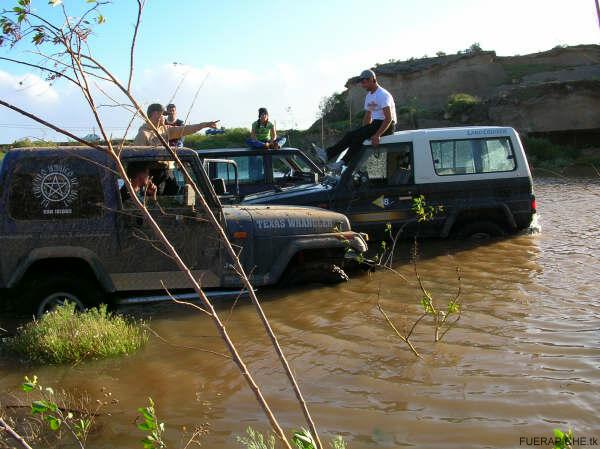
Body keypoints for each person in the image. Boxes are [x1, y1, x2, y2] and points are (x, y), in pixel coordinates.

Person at [312, 69, 396, 171]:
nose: (363, 85)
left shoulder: (383, 95)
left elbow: (389, 118)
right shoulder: (369, 96)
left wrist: (377, 135)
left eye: (364, 83)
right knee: (353, 136)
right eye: (362, 83)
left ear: (372, 80)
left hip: (386, 125)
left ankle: (335, 158)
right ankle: (334, 159)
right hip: (375, 124)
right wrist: (363, 131)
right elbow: (367, 116)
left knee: (355, 136)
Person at [134, 103, 219, 146]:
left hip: (167, 172)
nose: (165, 117)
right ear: (155, 114)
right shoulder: (143, 134)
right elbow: (138, 160)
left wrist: (204, 125)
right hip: (152, 175)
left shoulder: (165, 129)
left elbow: (185, 129)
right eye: (163, 114)